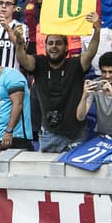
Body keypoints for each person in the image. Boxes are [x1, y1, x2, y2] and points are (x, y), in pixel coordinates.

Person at [17, 20, 100, 153]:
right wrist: (19, 44)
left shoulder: (75, 64)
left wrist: (97, 31)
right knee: (47, 172)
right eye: (50, 43)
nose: (54, 46)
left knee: (76, 173)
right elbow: (23, 60)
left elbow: (90, 53)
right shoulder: (39, 62)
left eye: (58, 43)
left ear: (66, 47)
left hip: (77, 134)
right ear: (45, 47)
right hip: (50, 135)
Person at [79, 52, 112, 140]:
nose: (107, 76)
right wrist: (84, 96)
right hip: (102, 137)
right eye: (104, 72)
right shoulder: (95, 84)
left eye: (111, 72)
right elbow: (80, 117)